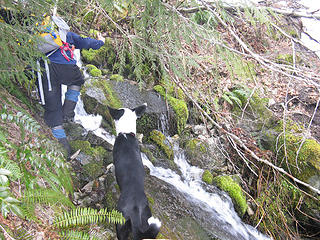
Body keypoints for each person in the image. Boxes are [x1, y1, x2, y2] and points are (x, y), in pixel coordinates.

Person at [38, 29, 105, 157]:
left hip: (46, 68)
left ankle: (65, 152)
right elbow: (87, 43)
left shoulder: (36, 35)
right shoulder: (65, 34)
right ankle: (68, 114)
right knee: (77, 81)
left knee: (53, 110)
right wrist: (100, 42)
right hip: (67, 67)